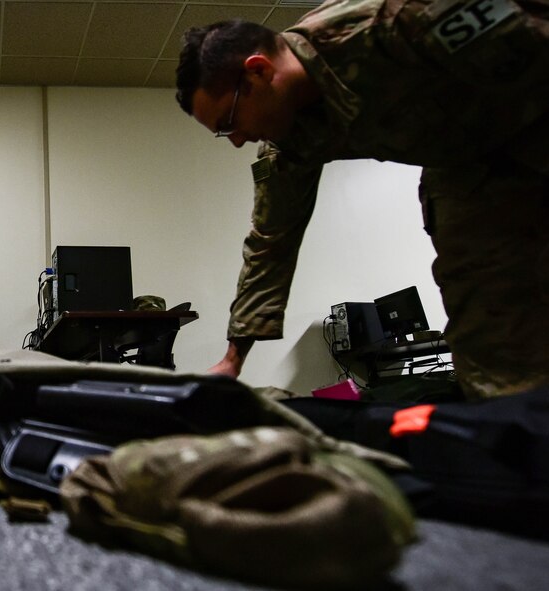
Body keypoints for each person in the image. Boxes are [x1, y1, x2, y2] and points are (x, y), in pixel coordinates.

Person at [175, 0, 548, 398]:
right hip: (462, 164)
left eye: (229, 122)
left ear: (260, 70)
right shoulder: (289, 140)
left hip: (533, 114)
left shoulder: (393, 22)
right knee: (485, 326)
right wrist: (233, 360)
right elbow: (270, 242)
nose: (235, 141)